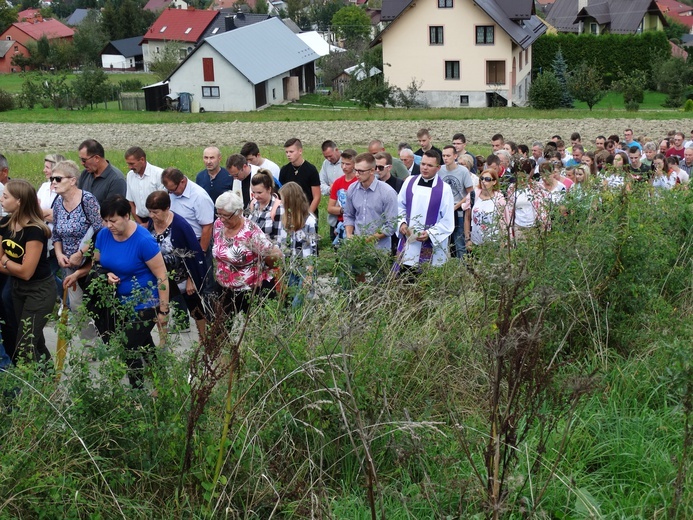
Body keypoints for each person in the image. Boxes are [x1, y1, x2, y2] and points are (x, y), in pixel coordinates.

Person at [66, 195, 169, 388]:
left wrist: (163, 311)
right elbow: (97, 265)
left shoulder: (143, 240)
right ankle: (161, 382)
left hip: (146, 301)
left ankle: (137, 393)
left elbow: (162, 275)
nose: (108, 225)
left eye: (113, 220)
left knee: (128, 346)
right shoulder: (104, 235)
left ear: (127, 216)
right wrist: (80, 273)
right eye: (105, 220)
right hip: (119, 302)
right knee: (144, 344)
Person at [0, 180, 56, 365]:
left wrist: (6, 261)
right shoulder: (4, 223)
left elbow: (26, 272)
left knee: (25, 345)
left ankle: (36, 386)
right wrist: (14, 266)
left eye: (5, 196)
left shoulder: (35, 230)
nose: (1, 199)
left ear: (19, 201)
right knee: (35, 341)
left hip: (39, 291)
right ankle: (50, 385)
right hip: (18, 290)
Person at [51, 160, 103, 340]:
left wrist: (81, 253)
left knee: (97, 304)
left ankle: (109, 339)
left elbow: (100, 228)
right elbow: (56, 233)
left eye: (58, 178)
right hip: (68, 264)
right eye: (52, 179)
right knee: (76, 304)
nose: (53, 182)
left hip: (90, 262)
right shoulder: (58, 202)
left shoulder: (87, 200)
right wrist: (59, 254)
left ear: (72, 180)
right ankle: (90, 345)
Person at [145, 191, 207, 338]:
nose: (152, 216)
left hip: (182, 277)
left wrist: (191, 280)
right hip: (162, 276)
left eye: (155, 212)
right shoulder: (152, 224)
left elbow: (194, 252)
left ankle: (205, 339)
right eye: (150, 212)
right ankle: (163, 342)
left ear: (167, 209)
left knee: (196, 309)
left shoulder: (180, 226)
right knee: (161, 309)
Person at [212, 190, 282, 317]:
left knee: (252, 331)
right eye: (219, 214)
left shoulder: (251, 233)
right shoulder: (218, 225)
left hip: (249, 291)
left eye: (226, 216)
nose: (221, 219)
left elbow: (275, 257)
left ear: (238, 212)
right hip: (224, 288)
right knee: (218, 331)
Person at [396, 150, 454, 271]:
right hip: (409, 245)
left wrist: (430, 233)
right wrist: (401, 223)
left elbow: (447, 220)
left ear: (438, 168)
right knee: (404, 281)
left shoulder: (444, 189)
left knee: (425, 283)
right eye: (423, 164)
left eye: (429, 165)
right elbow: (399, 206)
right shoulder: (409, 182)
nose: (425, 168)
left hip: (430, 247)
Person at [343, 152, 398, 251]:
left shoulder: (387, 192)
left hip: (379, 250)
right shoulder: (352, 189)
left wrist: (366, 240)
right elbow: (349, 215)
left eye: (361, 171)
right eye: (355, 170)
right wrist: (349, 236)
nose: (356, 174)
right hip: (356, 249)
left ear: (372, 170)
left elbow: (391, 225)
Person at [278, 182, 317, 305]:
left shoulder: (309, 221)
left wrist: (309, 276)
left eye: (283, 199)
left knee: (298, 303)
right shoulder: (284, 218)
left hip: (304, 268)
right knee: (288, 302)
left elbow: (312, 250)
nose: (280, 202)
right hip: (290, 267)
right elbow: (282, 244)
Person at [37, 153, 66, 299]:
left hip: (57, 239)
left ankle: (65, 298)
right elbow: (35, 210)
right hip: (44, 237)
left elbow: (61, 216)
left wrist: (44, 213)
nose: (44, 170)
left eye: (47, 167)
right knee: (47, 272)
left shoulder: (63, 190)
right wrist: (46, 213)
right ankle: (63, 297)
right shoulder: (43, 186)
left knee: (48, 273)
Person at [440, 146, 474, 258]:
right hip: (443, 209)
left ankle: (462, 266)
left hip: (459, 208)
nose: (445, 158)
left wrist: (456, 206)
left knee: (459, 239)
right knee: (444, 241)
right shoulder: (439, 170)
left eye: (448, 155)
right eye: (443, 155)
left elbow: (470, 192)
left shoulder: (463, 171)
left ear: (455, 156)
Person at [462, 169, 508, 249]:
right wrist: (467, 239)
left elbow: (504, 221)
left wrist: (504, 241)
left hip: (494, 243)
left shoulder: (499, 199)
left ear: (494, 182)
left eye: (487, 179)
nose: (483, 181)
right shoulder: (473, 195)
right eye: (482, 178)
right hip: (475, 242)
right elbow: (467, 218)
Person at [278, 138, 321, 225]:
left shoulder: (311, 170)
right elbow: (281, 194)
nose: (288, 155)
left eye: (291, 152)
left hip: (307, 212)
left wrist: (308, 215)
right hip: (290, 214)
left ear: (300, 151)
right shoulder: (284, 170)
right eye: (286, 152)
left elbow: (316, 196)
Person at [506, 160, 550, 241]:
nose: (522, 179)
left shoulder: (537, 188)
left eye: (524, 176)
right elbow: (509, 209)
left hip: (535, 227)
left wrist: (543, 227)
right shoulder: (512, 188)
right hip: (518, 227)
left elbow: (544, 209)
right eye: (519, 176)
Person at [77, 139, 126, 204]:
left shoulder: (116, 180)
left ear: (96, 158)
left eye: (84, 160)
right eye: (80, 159)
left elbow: (113, 211)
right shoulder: (85, 174)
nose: (82, 163)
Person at [125, 146, 164, 226]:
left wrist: (149, 224)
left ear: (142, 160)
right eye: (128, 164)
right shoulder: (130, 176)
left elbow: (164, 204)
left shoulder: (158, 174)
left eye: (132, 164)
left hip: (158, 220)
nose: (130, 167)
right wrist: (141, 224)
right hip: (139, 221)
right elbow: (131, 202)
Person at [327, 150, 358, 243]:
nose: (344, 167)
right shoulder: (338, 182)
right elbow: (330, 208)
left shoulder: (358, 182)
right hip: (341, 223)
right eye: (342, 163)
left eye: (347, 164)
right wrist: (343, 210)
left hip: (356, 224)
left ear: (354, 165)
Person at [248, 169, 285, 244]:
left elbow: (280, 240)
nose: (256, 196)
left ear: (269, 189)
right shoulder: (252, 204)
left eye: (259, 192)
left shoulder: (278, 208)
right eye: (253, 192)